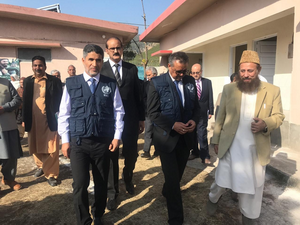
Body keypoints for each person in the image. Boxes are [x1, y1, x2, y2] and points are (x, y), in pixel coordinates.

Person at [207, 50, 285, 224]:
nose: (246, 75)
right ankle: (213, 198)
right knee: (221, 180)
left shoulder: (272, 91)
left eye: (250, 71)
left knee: (253, 186)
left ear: (258, 70)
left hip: (255, 149)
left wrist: (265, 123)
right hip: (231, 145)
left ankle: (248, 216)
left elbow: (279, 116)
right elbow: (221, 117)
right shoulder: (229, 89)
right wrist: (216, 140)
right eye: (242, 71)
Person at [58, 44, 125, 225]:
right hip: (79, 142)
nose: (94, 64)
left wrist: (117, 136)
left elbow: (119, 111)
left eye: (98, 60)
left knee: (102, 183)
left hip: (103, 142)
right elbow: (64, 113)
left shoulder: (110, 84)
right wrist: (65, 141)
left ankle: (98, 214)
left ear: (102, 62)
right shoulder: (71, 84)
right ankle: (84, 220)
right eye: (91, 59)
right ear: (83, 61)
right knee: (80, 184)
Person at [147, 52, 200, 225]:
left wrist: (193, 120)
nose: (181, 75)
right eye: (178, 71)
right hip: (166, 139)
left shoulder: (190, 81)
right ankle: (176, 219)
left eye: (184, 71)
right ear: (169, 66)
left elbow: (197, 108)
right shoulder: (156, 83)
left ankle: (166, 190)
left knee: (176, 176)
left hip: (185, 140)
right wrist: (172, 124)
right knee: (173, 181)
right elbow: (153, 113)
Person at [101, 37, 144, 210]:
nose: (116, 51)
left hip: (131, 120)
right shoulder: (101, 69)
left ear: (122, 49)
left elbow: (138, 96)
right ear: (107, 51)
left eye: (118, 48)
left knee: (132, 154)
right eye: (112, 48)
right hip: (110, 122)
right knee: (111, 158)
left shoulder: (132, 69)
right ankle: (112, 193)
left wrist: (141, 118)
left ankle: (128, 178)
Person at [23, 56, 62, 187]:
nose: (37, 68)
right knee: (35, 145)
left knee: (52, 147)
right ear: (32, 66)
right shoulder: (28, 81)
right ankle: (41, 166)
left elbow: (60, 100)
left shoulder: (53, 81)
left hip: (49, 119)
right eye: (35, 65)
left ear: (45, 66)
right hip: (32, 120)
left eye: (40, 65)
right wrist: (23, 119)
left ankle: (51, 174)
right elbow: (25, 102)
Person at [0, 77, 22, 191]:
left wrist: (4, 108)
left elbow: (17, 100)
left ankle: (9, 178)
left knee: (11, 155)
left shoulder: (6, 83)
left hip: (8, 126)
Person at [188, 63, 214, 164]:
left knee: (202, 134)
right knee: (192, 134)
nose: (195, 74)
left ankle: (205, 156)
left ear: (201, 72)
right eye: (193, 73)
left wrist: (211, 110)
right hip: (191, 113)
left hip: (203, 113)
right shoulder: (188, 83)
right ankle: (195, 152)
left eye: (197, 72)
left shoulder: (207, 82)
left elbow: (210, 96)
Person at [140, 66, 158, 159]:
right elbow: (143, 98)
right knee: (148, 131)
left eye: (149, 75)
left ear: (155, 74)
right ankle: (146, 151)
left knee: (158, 132)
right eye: (147, 75)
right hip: (148, 113)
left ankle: (157, 151)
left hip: (159, 113)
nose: (148, 77)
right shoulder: (145, 85)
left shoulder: (161, 83)